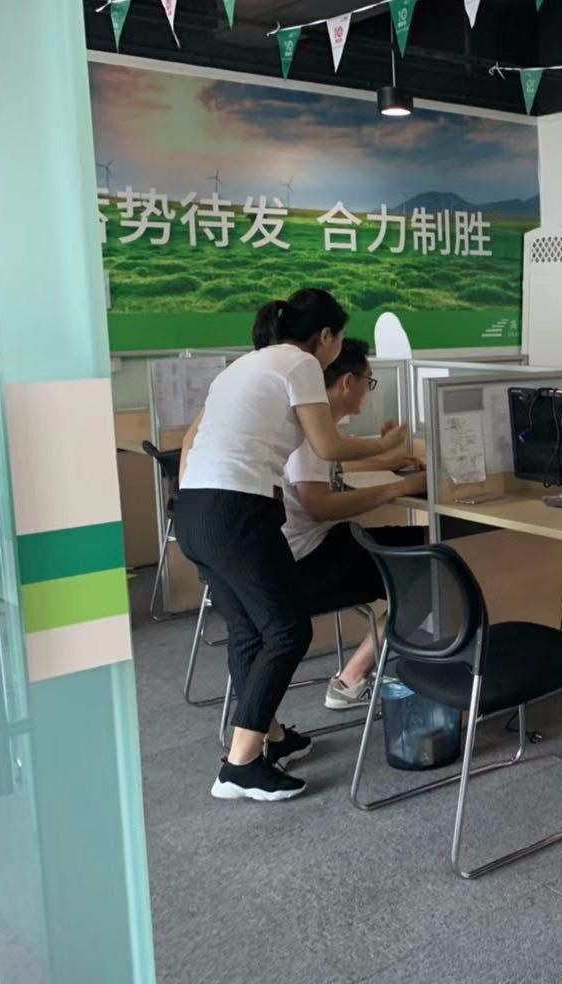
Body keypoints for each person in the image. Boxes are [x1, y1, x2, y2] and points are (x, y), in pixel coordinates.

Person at [178, 288, 407, 803]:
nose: (337, 350)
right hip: (237, 510)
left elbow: (195, 439)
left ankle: (271, 738)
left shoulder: (244, 365)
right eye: (339, 339)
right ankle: (240, 765)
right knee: (287, 630)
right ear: (325, 336)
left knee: (249, 630)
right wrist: (387, 445)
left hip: (194, 510)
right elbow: (326, 445)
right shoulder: (300, 363)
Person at [278, 338, 427, 709]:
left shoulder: (310, 424)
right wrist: (401, 486)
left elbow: (334, 465)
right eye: (368, 381)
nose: (368, 390)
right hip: (308, 563)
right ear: (348, 382)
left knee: (426, 546)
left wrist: (388, 462)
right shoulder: (312, 434)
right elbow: (318, 505)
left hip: (293, 555)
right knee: (434, 569)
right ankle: (352, 679)